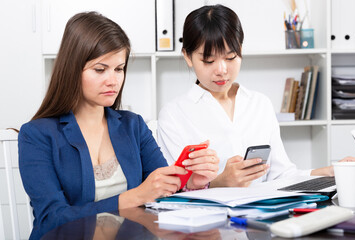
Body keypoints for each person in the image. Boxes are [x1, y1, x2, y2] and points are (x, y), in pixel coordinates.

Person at [18, 11, 219, 239]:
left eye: (119, 69)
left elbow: (161, 196)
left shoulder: (133, 126)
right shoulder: (36, 135)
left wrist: (190, 182)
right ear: (72, 69)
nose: (113, 80)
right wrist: (133, 197)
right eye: (100, 69)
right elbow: (51, 219)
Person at [157, 4, 355, 188]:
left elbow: (281, 175)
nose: (222, 70)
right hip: (204, 224)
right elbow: (173, 191)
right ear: (187, 57)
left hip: (261, 219)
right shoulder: (174, 115)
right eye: (208, 60)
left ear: (240, 50)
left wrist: (328, 172)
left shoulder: (259, 104)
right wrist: (220, 183)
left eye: (230, 57)